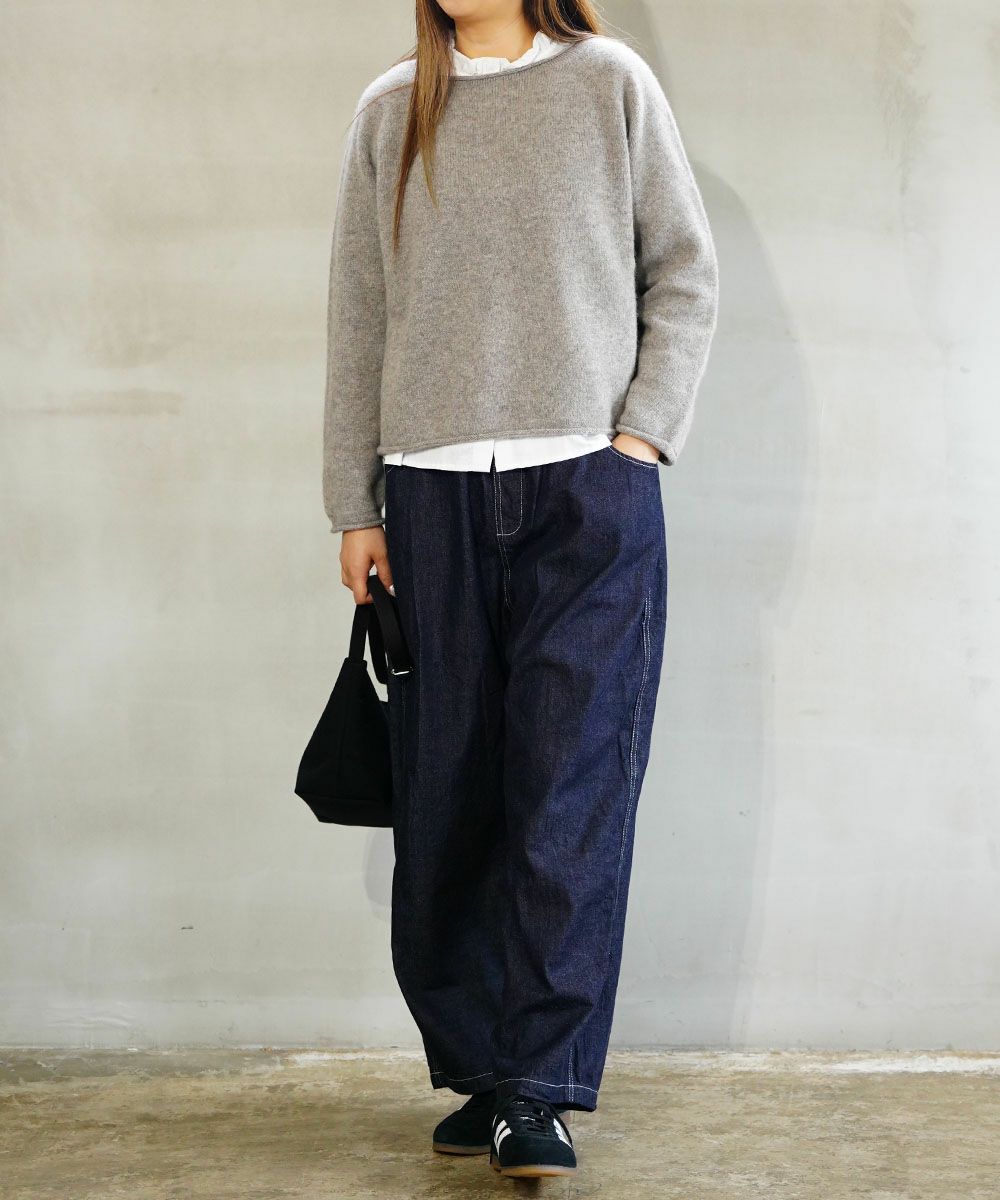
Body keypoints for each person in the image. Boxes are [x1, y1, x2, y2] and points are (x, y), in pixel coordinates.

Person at [322, 0, 718, 1178]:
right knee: (447, 801)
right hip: (428, 499)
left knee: (567, 792)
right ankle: (490, 1074)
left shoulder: (607, 83)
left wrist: (638, 441)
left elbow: (684, 270)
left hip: (584, 493)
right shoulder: (391, 109)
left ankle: (537, 1082)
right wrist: (353, 503)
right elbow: (358, 312)